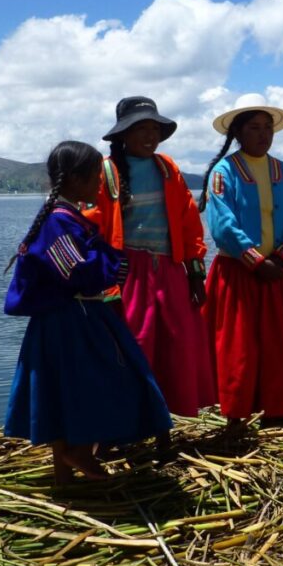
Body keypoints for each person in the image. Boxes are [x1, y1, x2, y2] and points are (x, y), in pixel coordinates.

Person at [3, 141, 171, 483]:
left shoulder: (65, 217)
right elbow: (78, 273)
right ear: (75, 179)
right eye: (96, 176)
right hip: (70, 322)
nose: (101, 183)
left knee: (62, 390)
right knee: (103, 382)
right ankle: (77, 453)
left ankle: (65, 476)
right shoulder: (58, 222)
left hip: (69, 317)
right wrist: (110, 262)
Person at [82, 97, 215, 419]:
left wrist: (196, 273)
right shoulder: (106, 172)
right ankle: (130, 419)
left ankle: (170, 416)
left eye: (154, 129)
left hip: (169, 270)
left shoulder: (166, 167)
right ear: (122, 135)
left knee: (177, 344)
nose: (149, 136)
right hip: (129, 273)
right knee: (135, 343)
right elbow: (90, 223)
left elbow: (187, 221)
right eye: (141, 129)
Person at [198, 93, 283, 424]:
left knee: (280, 343)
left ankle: (281, 409)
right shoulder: (225, 173)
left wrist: (281, 257)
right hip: (239, 273)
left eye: (268, 128)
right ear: (238, 133)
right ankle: (237, 410)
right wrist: (254, 260)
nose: (263, 135)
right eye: (254, 128)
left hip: (278, 271)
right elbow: (222, 223)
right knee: (240, 346)